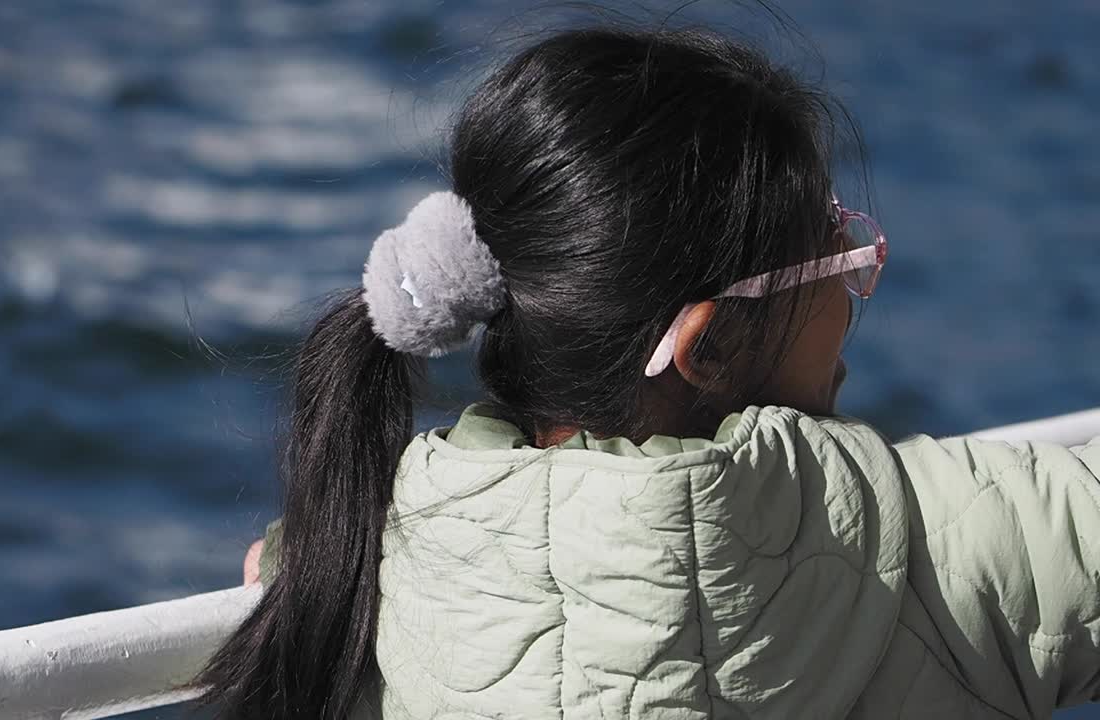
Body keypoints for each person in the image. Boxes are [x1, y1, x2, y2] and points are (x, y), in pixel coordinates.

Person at [200, 24, 1100, 720]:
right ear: (705, 347)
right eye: (837, 251)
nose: (859, 281)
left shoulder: (364, 574)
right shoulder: (959, 540)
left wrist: (299, 557)